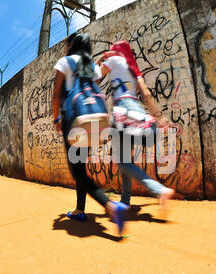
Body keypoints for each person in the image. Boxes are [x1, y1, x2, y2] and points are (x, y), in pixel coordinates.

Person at [51, 32, 128, 235]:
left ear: (72, 46)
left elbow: (57, 93)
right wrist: (104, 59)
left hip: (74, 119)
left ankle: (110, 205)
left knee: (77, 172)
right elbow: (99, 72)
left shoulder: (65, 61)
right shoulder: (89, 65)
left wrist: (56, 118)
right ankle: (80, 210)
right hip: (93, 122)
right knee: (81, 168)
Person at [97, 40, 175, 210]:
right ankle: (125, 201)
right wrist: (159, 117)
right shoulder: (134, 69)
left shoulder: (114, 59)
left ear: (115, 50)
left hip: (122, 110)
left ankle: (160, 190)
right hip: (136, 111)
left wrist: (100, 60)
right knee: (124, 159)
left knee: (123, 162)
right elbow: (146, 93)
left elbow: (94, 78)